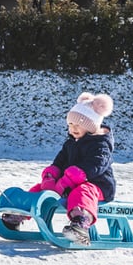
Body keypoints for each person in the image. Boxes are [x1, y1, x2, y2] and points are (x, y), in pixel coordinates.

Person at [22, 92, 116, 245]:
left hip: (97, 185)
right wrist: (51, 175)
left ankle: (81, 223)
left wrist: (74, 176)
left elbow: (96, 164)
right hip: (69, 183)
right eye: (70, 125)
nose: (73, 129)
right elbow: (60, 161)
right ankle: (18, 214)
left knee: (82, 192)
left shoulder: (101, 144)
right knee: (40, 189)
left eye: (78, 125)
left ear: (91, 125)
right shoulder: (71, 143)